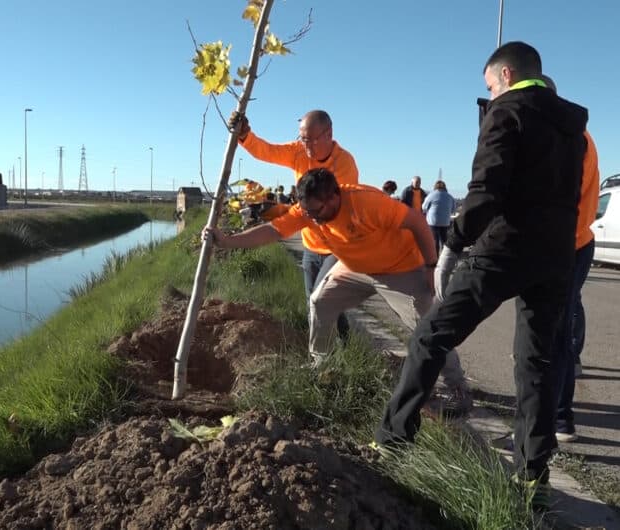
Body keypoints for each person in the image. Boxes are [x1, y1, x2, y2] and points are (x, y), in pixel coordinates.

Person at [374, 42, 588, 510]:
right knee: (537, 365)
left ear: (506, 75)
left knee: (431, 336)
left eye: (490, 85)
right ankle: (533, 483)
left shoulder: (507, 110)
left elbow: (487, 188)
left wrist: (452, 244)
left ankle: (391, 442)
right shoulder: (574, 126)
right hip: (555, 256)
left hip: (503, 249)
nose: (489, 94)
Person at [204, 168, 471, 413]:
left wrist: (430, 265)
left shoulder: (367, 203)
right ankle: (323, 368)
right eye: (306, 211)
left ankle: (457, 387)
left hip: (399, 267)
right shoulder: (308, 208)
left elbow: (417, 222)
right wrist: (227, 242)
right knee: (320, 301)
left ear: (333, 197)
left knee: (426, 323)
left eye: (316, 211)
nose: (311, 218)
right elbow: (273, 231)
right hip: (356, 268)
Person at [229, 109, 357, 342]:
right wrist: (245, 135)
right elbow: (267, 151)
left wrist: (278, 213)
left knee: (320, 301)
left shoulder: (344, 164)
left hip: (337, 247)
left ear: (328, 133)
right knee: (316, 302)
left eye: (311, 140)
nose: (305, 146)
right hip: (311, 246)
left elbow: (325, 212)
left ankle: (328, 357)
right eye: (302, 138)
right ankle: (331, 354)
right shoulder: (299, 152)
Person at [538, 74, 600, 444]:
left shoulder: (566, 138)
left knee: (552, 330)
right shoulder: (577, 134)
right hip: (575, 243)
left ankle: (558, 416)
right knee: (562, 319)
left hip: (562, 245)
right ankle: (557, 414)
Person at [421, 180, 456, 255]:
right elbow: (453, 209)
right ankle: (445, 257)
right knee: (444, 240)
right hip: (445, 221)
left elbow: (424, 207)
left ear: (435, 187)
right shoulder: (450, 196)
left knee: (434, 240)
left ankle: (435, 258)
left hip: (433, 221)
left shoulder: (431, 195)